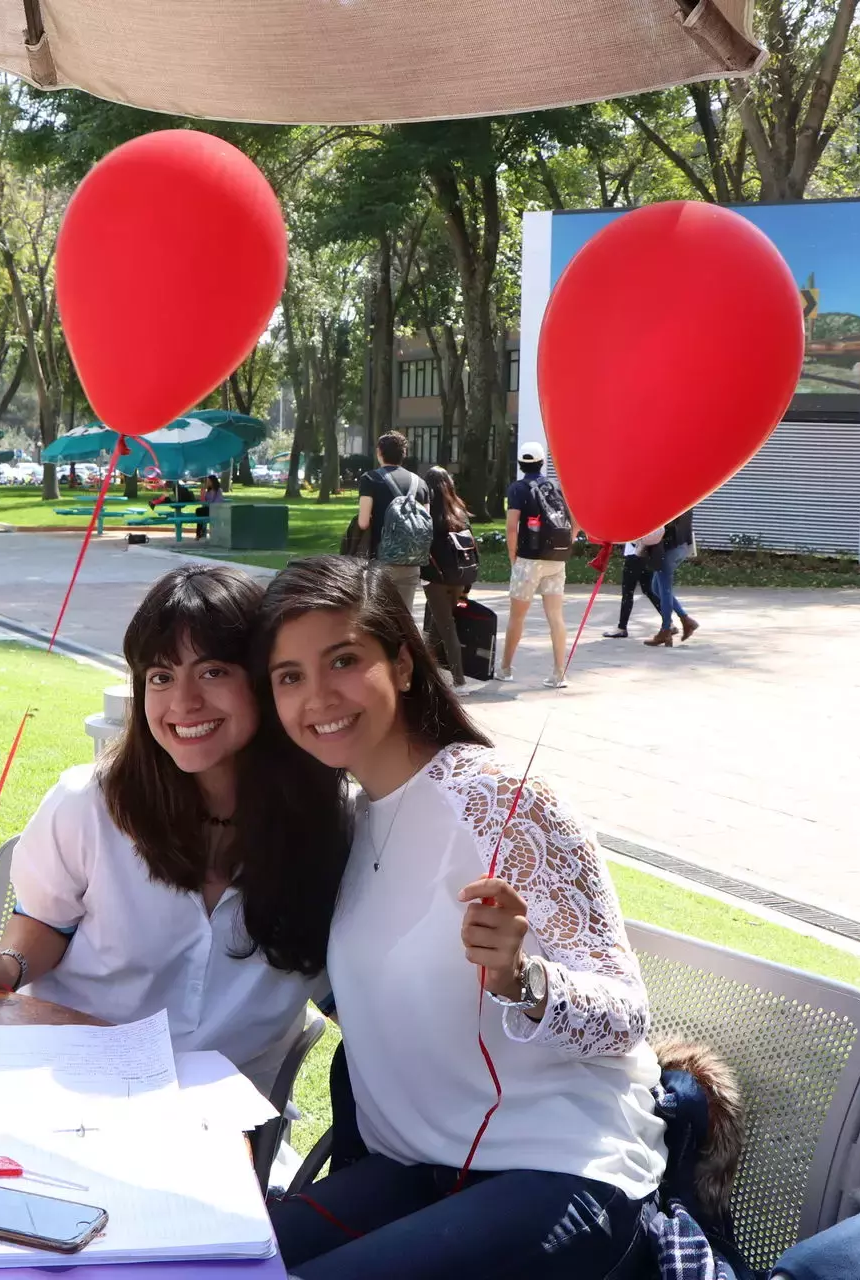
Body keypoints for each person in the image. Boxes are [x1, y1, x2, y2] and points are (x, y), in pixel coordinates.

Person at [256, 556, 664, 1280]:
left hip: (560, 1169)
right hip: (418, 1171)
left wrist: (522, 978)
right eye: (289, 676)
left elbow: (627, 1015)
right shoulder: (348, 824)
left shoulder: (503, 802)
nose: (317, 697)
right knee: (209, 1260)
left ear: (405, 665)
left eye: (343, 660)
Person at [0, 564, 347, 1094]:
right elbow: (45, 926)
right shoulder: (88, 803)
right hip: (74, 1090)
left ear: (261, 679)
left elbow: (353, 982)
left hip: (228, 1117)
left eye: (213, 671)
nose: (183, 703)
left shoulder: (335, 821)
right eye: (160, 677)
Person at [501, 442, 575, 688]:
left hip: (528, 560)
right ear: (543, 462)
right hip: (556, 559)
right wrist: (567, 541)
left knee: (517, 617)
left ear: (520, 464)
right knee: (556, 616)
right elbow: (576, 520)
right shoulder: (556, 486)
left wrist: (513, 557)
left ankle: (506, 668)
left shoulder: (518, 489)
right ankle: (559, 672)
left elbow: (512, 527)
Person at [356, 431, 432, 621]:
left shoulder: (370, 479)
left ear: (379, 452)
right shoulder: (420, 483)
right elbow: (425, 523)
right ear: (403, 454)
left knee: (378, 619)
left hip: (381, 561)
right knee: (404, 620)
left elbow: (363, 522)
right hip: (412, 561)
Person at [420, 466, 478, 695]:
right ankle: (427, 671)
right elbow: (472, 546)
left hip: (435, 578)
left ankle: (459, 681)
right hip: (459, 576)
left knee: (445, 626)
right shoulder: (459, 510)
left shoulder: (428, 513)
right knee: (437, 623)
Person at [643, 509, 699, 648]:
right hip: (682, 546)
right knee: (656, 588)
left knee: (664, 590)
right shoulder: (686, 498)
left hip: (669, 548)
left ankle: (665, 630)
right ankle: (686, 620)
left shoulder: (669, 501)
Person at [601, 530, 663, 641]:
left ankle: (621, 628)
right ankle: (669, 622)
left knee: (628, 592)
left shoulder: (636, 516)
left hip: (635, 554)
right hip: (647, 554)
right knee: (648, 590)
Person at [196, 473, 224, 540]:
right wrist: (202, 495)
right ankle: (200, 532)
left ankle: (200, 532)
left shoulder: (218, 491)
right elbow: (204, 502)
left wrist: (210, 504)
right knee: (199, 511)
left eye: (209, 481)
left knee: (199, 511)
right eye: (207, 481)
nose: (207, 483)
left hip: (215, 509)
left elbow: (218, 501)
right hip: (209, 509)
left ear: (213, 482)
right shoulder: (208, 492)